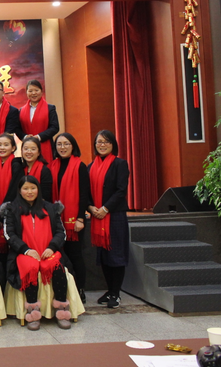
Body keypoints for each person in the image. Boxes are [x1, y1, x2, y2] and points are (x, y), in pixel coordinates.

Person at [1, 176, 72, 330]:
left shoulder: (51, 208)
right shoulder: (12, 209)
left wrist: (52, 247)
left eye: (33, 188)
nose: (30, 192)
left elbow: (61, 232)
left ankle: (62, 309)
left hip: (48, 252)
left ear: (38, 189)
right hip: (24, 253)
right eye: (25, 188)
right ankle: (33, 311)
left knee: (58, 268)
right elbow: (9, 234)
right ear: (19, 190)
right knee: (30, 268)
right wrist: (26, 250)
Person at [88, 130, 130, 310]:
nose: (102, 145)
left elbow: (121, 190)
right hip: (97, 216)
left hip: (114, 216)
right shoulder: (90, 166)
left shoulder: (120, 164)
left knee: (116, 254)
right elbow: (86, 191)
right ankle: (109, 290)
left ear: (113, 144)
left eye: (106, 142)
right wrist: (90, 208)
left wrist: (105, 209)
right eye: (99, 142)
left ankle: (116, 293)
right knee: (104, 255)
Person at [48, 132, 90, 303]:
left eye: (66, 144)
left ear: (73, 146)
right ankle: (62, 290)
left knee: (75, 255)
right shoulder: (52, 166)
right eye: (59, 144)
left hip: (74, 221)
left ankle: (80, 289)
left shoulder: (80, 166)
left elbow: (84, 194)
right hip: (56, 220)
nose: (62, 147)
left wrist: (80, 218)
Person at [0, 133, 24, 260]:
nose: (2, 148)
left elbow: (14, 190)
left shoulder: (16, 165)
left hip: (11, 212)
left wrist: (3, 214)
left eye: (6, 145)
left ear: (13, 148)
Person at [19, 79, 59, 163]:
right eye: (30, 91)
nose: (33, 93)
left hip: (45, 144)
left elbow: (55, 127)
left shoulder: (50, 108)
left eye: (36, 90)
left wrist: (39, 137)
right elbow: (18, 129)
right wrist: (25, 137)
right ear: (26, 93)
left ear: (41, 91)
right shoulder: (21, 110)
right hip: (28, 147)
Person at [20, 136, 53, 202]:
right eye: (26, 149)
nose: (29, 152)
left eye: (33, 149)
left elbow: (46, 195)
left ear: (38, 152)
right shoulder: (20, 168)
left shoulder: (44, 170)